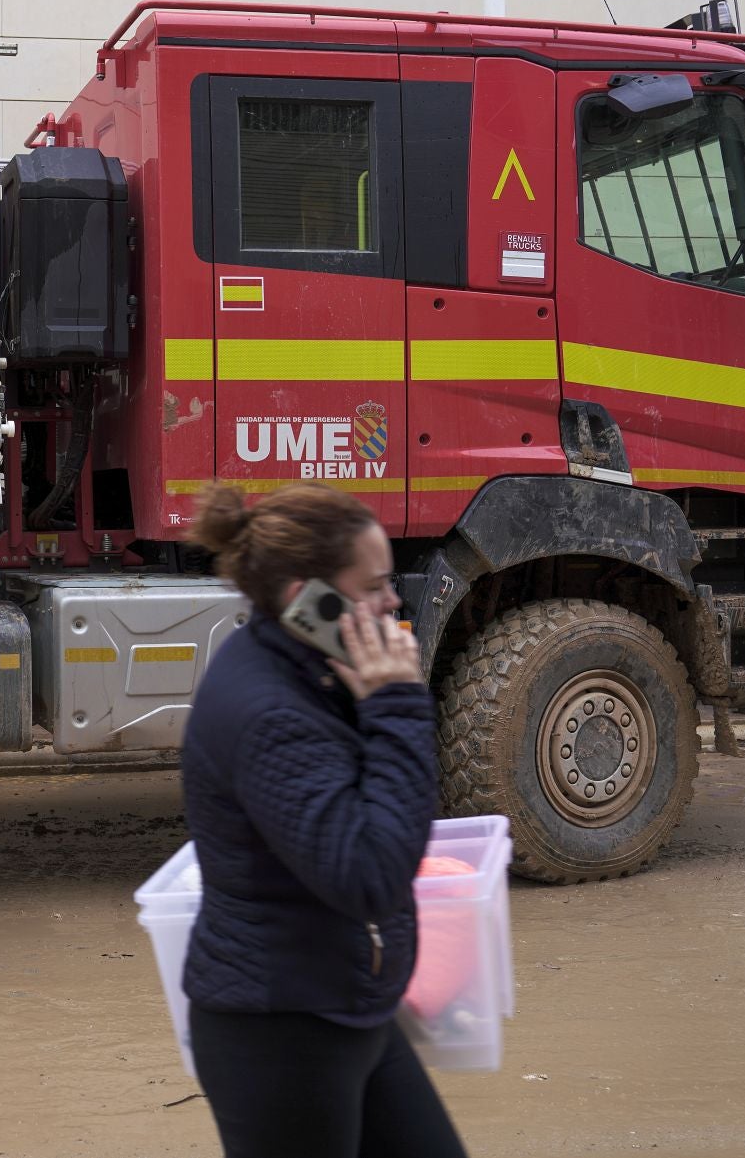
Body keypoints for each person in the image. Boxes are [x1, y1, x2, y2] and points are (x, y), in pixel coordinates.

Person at [179, 482, 467, 1157]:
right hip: (282, 1035)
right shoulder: (269, 714)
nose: (395, 602)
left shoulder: (317, 670)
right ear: (306, 599)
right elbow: (369, 872)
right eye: (374, 586)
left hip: (346, 1006)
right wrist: (397, 705)